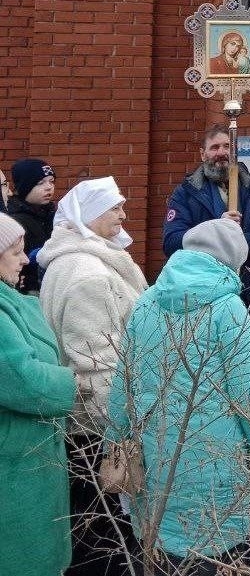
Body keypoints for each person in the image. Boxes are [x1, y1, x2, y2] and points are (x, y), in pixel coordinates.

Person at [106, 219, 250, 576]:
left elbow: (123, 381)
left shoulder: (147, 301)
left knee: (162, 548)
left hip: (152, 456)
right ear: (233, 262)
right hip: (214, 461)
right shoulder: (228, 309)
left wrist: (116, 441)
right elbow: (249, 397)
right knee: (213, 549)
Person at [38, 176, 147, 575]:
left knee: (88, 525)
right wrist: (119, 432)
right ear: (88, 215)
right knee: (103, 534)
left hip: (79, 420)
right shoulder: (90, 276)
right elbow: (97, 364)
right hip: (93, 426)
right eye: (113, 208)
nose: (123, 214)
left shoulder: (75, 261)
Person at [0, 213, 78, 576]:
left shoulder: (8, 300)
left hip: (25, 453)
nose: (25, 258)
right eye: (16, 251)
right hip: (13, 461)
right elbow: (21, 379)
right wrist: (72, 382)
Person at [163, 124, 250, 334]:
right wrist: (218, 232)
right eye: (214, 147)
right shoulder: (185, 193)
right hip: (203, 292)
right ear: (203, 154)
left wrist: (238, 241)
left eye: (227, 146)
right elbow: (172, 242)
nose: (221, 153)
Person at [6, 157, 56, 294]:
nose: (49, 187)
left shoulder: (54, 215)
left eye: (51, 181)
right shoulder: (13, 220)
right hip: (27, 291)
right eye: (40, 183)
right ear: (24, 186)